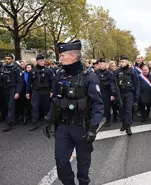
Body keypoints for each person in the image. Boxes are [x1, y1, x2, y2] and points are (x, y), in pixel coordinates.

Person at [46, 40, 104, 185]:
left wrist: (93, 128)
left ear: (73, 56)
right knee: (61, 161)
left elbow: (98, 104)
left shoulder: (89, 76)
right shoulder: (59, 74)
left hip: (82, 128)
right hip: (63, 127)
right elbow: (55, 100)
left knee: (83, 166)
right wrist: (49, 119)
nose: (60, 58)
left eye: (62, 55)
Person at [26, 54, 55, 131]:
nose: (42, 62)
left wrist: (52, 90)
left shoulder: (48, 70)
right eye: (40, 61)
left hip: (46, 91)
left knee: (46, 106)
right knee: (34, 107)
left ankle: (48, 122)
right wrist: (27, 92)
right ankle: (34, 123)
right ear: (37, 61)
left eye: (43, 60)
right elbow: (29, 83)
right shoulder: (32, 71)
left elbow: (53, 81)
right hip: (36, 91)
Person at [0, 54, 23, 132]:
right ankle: (14, 118)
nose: (7, 60)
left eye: (9, 59)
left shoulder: (16, 69)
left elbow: (20, 81)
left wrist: (17, 92)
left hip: (12, 89)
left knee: (11, 105)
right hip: (4, 89)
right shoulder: (2, 68)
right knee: (8, 105)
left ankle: (9, 123)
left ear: (12, 60)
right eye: (6, 59)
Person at [113, 55, 140, 135]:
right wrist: (114, 90)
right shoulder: (117, 71)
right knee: (121, 109)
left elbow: (137, 83)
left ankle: (128, 126)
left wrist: (137, 95)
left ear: (127, 62)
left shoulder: (132, 71)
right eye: (120, 61)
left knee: (128, 110)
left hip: (129, 93)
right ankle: (123, 123)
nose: (121, 63)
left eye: (123, 61)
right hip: (120, 93)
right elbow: (113, 82)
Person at [95, 58, 116, 127]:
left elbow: (112, 83)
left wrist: (113, 93)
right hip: (98, 92)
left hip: (106, 92)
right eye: (99, 64)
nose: (100, 65)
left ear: (105, 64)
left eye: (101, 64)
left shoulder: (108, 73)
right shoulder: (96, 72)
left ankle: (108, 120)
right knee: (98, 106)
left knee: (107, 107)